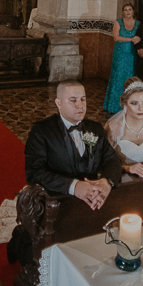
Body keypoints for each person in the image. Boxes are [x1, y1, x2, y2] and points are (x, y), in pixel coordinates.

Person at [25, 81, 121, 210]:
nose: (80, 105)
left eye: (83, 99)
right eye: (73, 100)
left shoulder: (95, 128)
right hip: (57, 202)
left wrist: (107, 182)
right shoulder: (41, 131)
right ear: (58, 103)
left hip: (94, 201)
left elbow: (112, 159)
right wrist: (74, 186)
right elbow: (34, 172)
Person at [104, 77, 143, 179]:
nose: (141, 108)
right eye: (134, 103)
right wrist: (128, 168)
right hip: (120, 180)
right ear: (124, 104)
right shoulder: (113, 127)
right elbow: (105, 163)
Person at [104, 4, 140, 113]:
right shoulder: (118, 22)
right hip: (120, 53)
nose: (128, 12)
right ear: (123, 12)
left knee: (130, 76)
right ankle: (114, 106)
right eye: (125, 10)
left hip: (132, 54)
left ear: (133, 11)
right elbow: (116, 37)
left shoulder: (138, 23)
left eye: (130, 9)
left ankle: (130, 105)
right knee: (118, 76)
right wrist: (131, 39)